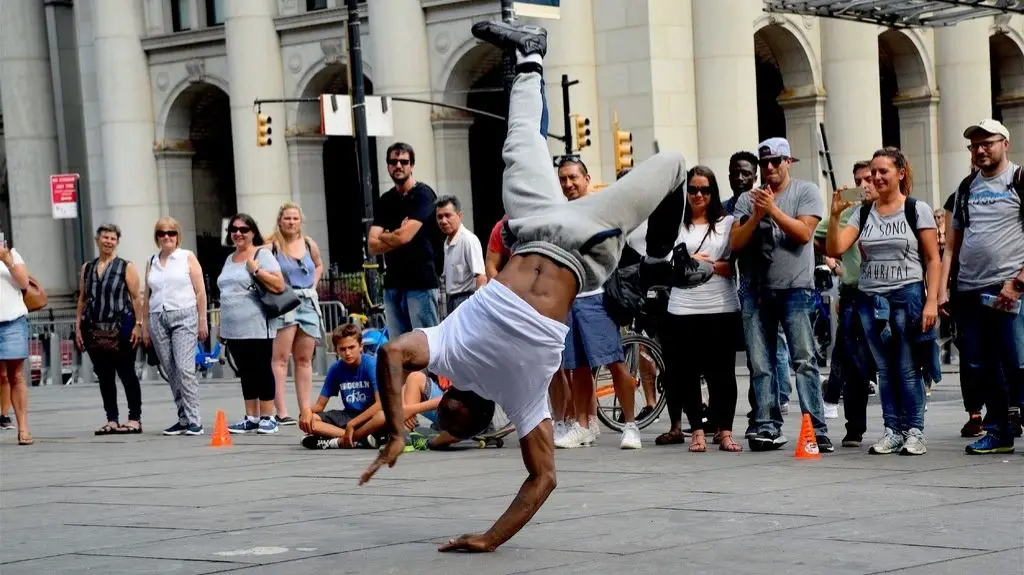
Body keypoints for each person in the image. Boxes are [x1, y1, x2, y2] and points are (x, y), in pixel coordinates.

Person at [359, 21, 708, 551]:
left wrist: (399, 430)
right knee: (674, 164)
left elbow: (391, 354)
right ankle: (660, 260)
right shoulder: (521, 400)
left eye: (440, 410)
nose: (444, 406)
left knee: (520, 141)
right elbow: (543, 477)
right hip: (583, 244)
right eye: (448, 414)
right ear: (474, 415)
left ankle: (530, 58)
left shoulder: (449, 353)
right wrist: (489, 538)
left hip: (533, 228)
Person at [826, 147, 940, 455]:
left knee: (907, 367)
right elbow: (836, 247)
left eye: (882, 171)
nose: (875, 177)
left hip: (907, 296)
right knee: (884, 370)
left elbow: (933, 258)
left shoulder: (916, 209)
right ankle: (892, 430)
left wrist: (932, 302)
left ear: (900, 173)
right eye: (872, 172)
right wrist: (836, 213)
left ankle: (914, 430)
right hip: (871, 299)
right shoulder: (863, 212)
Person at [656, 166, 742, 453]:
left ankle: (725, 431)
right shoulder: (676, 225)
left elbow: (733, 267)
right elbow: (665, 264)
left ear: (713, 192)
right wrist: (688, 260)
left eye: (704, 189)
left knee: (723, 373)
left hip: (721, 305)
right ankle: (696, 432)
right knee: (686, 372)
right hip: (683, 307)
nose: (698, 195)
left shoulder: (728, 223)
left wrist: (705, 265)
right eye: (692, 189)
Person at [218, 214, 287, 435]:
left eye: (243, 229)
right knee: (245, 371)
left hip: (257, 322)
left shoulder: (261, 254)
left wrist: (256, 270)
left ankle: (268, 416)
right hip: (233, 325)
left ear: (253, 232)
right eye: (234, 229)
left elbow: (279, 285)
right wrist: (221, 327)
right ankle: (252, 416)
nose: (238, 233)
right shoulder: (230, 259)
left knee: (261, 368)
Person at [75, 224, 145, 435]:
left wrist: (138, 325)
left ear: (117, 242)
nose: (108, 241)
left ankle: (134, 419)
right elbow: (83, 299)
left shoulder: (125, 266)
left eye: (113, 238)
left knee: (127, 373)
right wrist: (78, 327)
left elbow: (136, 298)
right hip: (94, 329)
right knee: (104, 376)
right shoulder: (88, 268)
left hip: (121, 327)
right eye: (105, 237)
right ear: (97, 239)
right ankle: (112, 419)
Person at [143, 217, 209, 436]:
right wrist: (143, 326)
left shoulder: (186, 257)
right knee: (170, 370)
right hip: (157, 316)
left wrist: (202, 321)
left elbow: (200, 291)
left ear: (177, 235)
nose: (166, 237)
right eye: (162, 233)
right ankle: (182, 417)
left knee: (184, 367)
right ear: (157, 237)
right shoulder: (151, 260)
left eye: (171, 233)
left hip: (184, 314)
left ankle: (194, 419)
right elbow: (147, 295)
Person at [267, 202, 325, 425]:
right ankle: (280, 410)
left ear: (300, 221)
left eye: (295, 218)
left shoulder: (309, 244)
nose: (291, 222)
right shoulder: (272, 246)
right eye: (287, 218)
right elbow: (259, 268)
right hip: (285, 301)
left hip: (308, 302)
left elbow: (318, 265)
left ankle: (305, 409)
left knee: (304, 358)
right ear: (280, 220)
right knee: (280, 359)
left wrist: (314, 283)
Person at [0, 237, 34, 445]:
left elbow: (24, 283)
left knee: (16, 376)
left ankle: (22, 427)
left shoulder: (12, 254)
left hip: (12, 322)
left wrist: (7, 260)